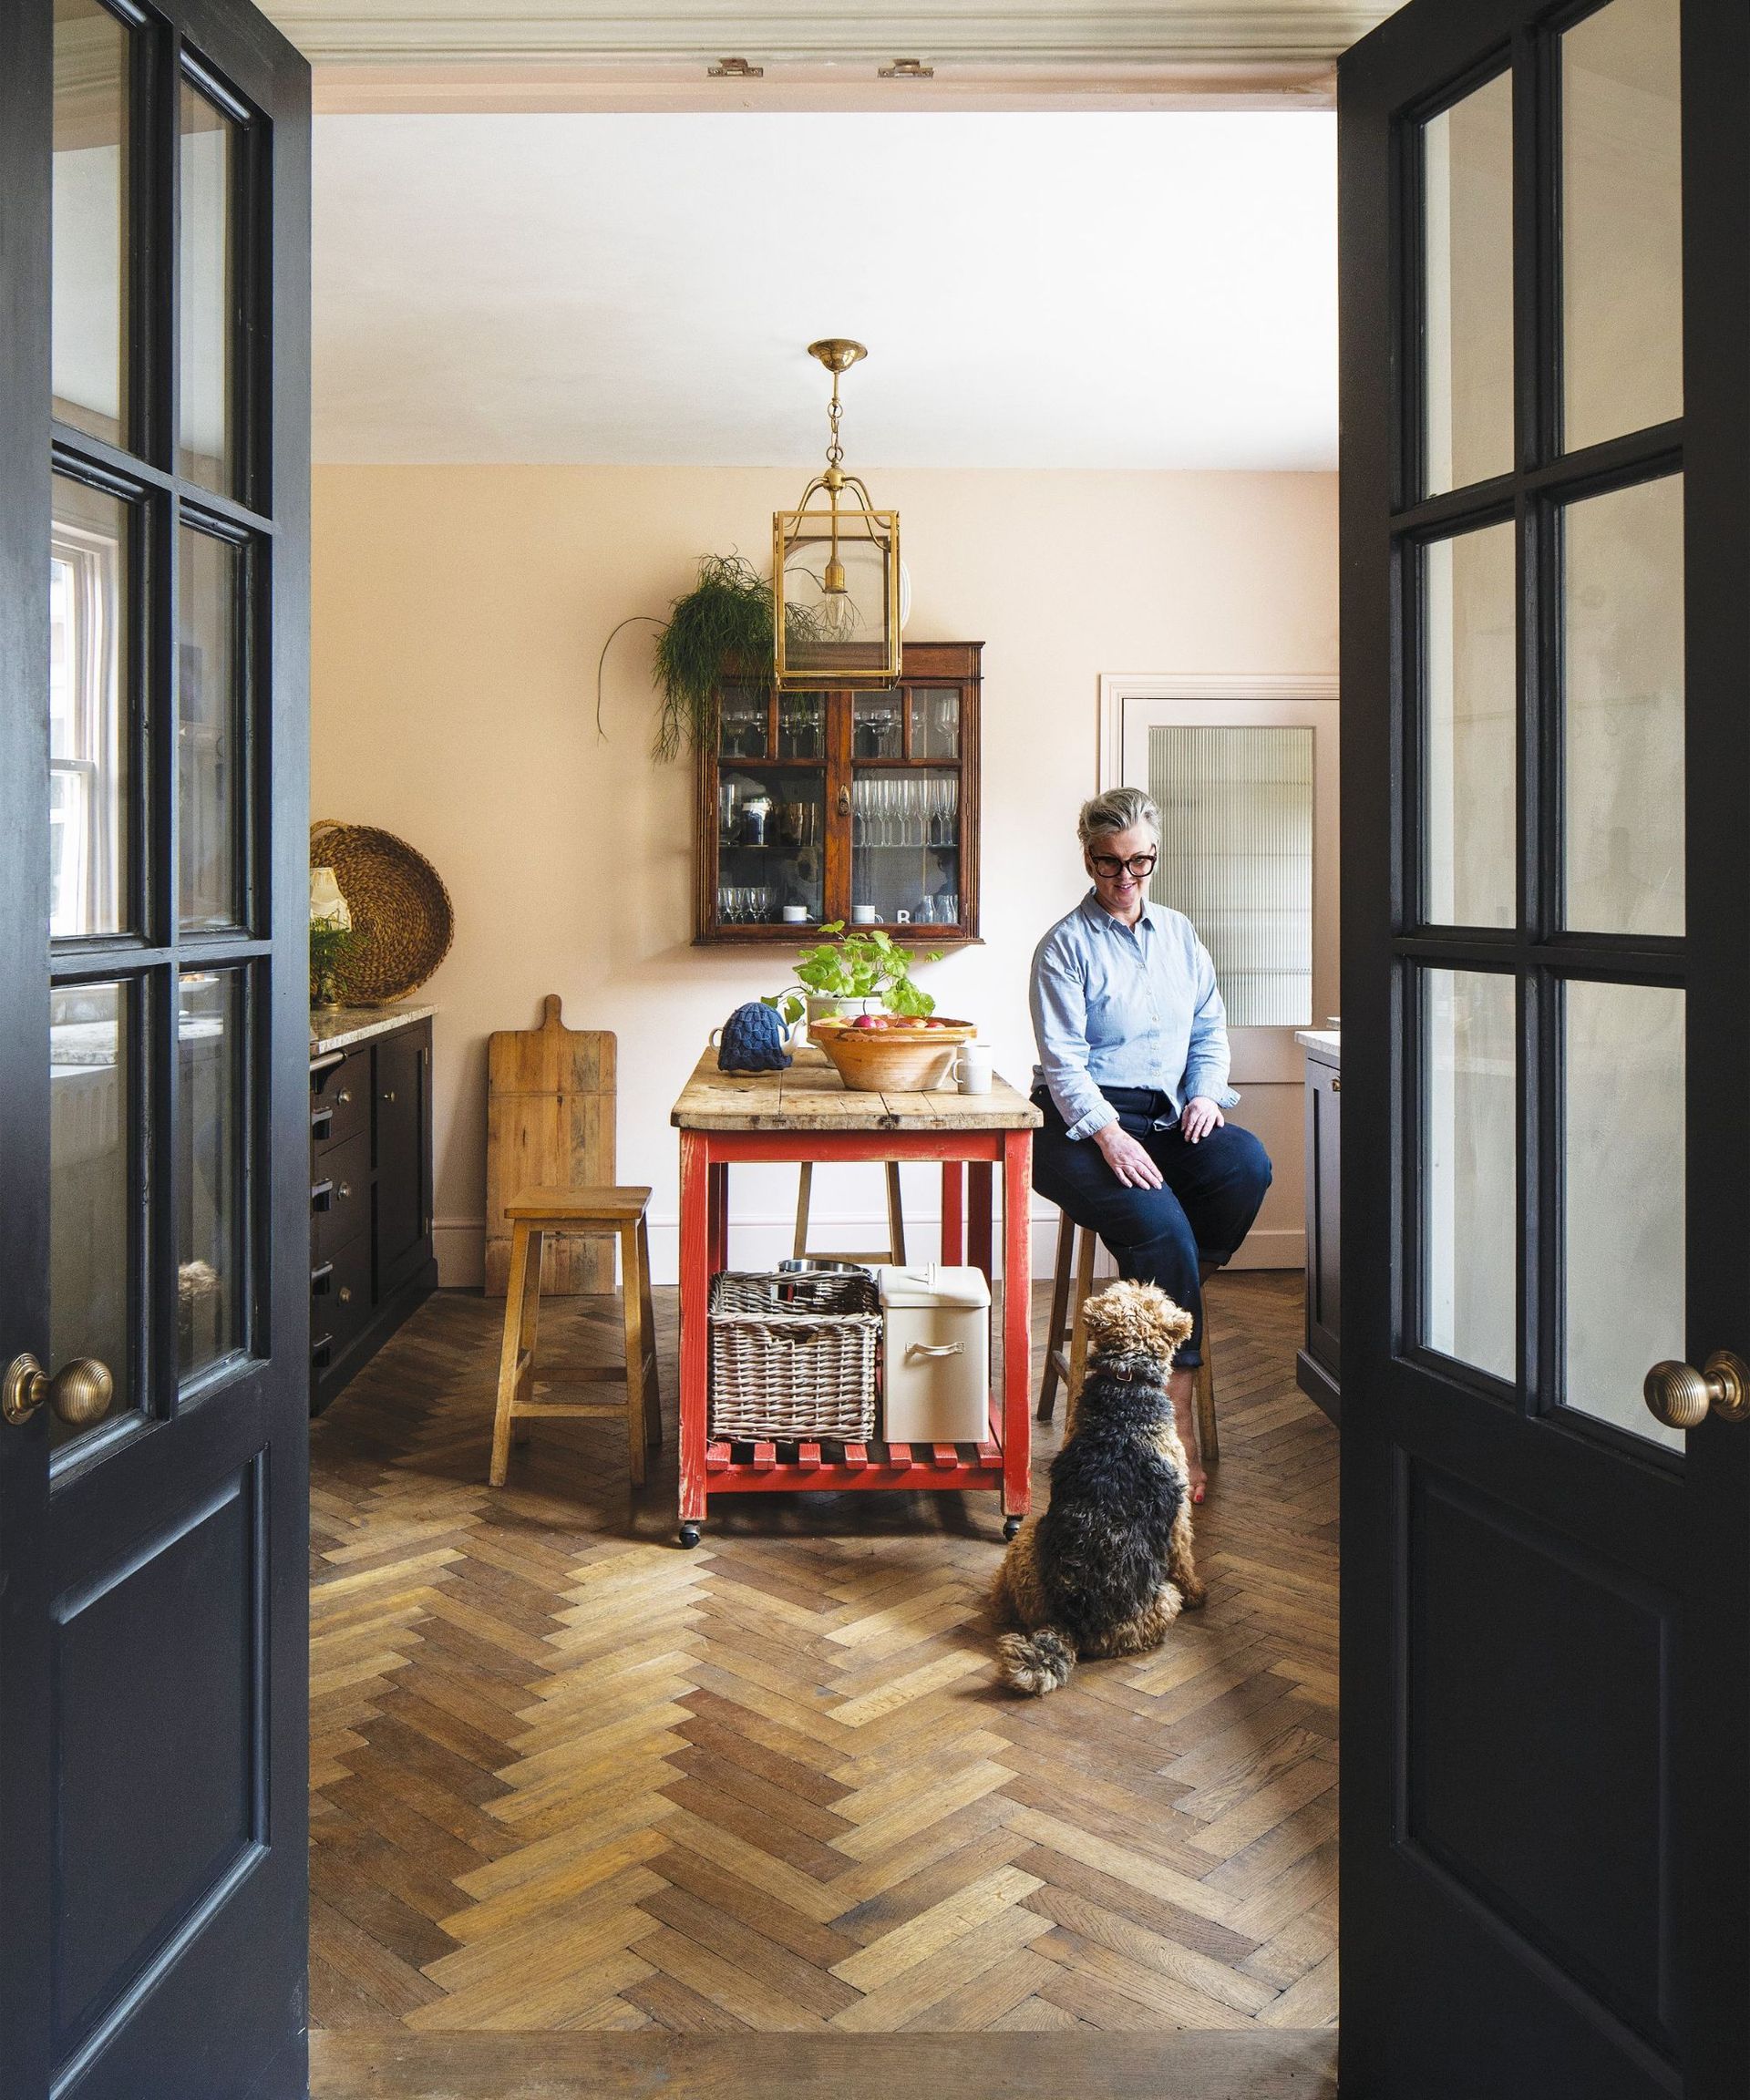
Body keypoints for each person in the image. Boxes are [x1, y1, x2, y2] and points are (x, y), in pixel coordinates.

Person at [1029, 786, 1272, 1501]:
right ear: (1088, 859)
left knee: (1245, 1163)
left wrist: (1204, 1093)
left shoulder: (1180, 934)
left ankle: (1164, 1294)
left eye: (1142, 863)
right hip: (1079, 1124)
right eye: (1110, 866)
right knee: (1162, 1225)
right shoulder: (1063, 947)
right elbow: (1065, 1064)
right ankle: (1177, 1430)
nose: (1126, 881)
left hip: (1169, 1114)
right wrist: (1107, 1136)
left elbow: (1208, 1030)